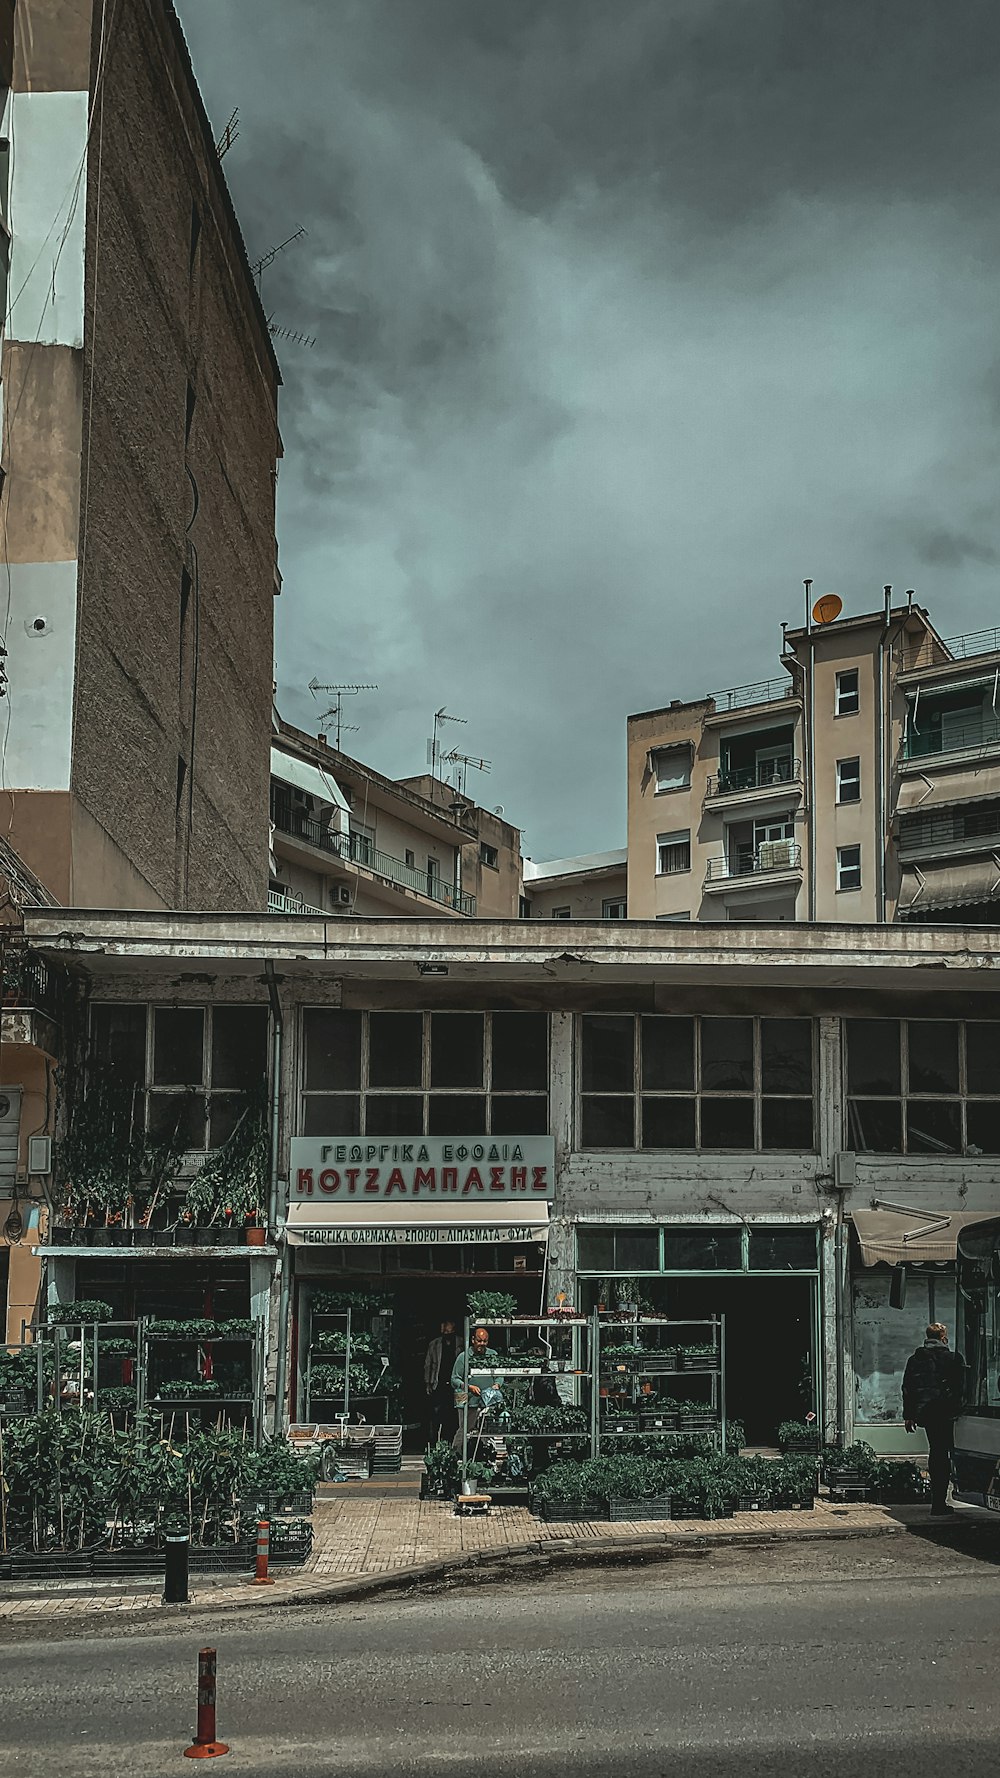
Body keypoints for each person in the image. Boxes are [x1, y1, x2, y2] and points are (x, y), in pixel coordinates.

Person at [902, 1321, 968, 1516]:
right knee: (946, 1454)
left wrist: (909, 1416)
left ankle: (938, 1501)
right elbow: (961, 1387)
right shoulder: (953, 1358)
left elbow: (908, 1388)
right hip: (949, 1414)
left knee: (937, 1453)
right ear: (943, 1338)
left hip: (928, 1414)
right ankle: (942, 1501)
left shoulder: (915, 1359)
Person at [450, 1323, 503, 1452]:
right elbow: (454, 1379)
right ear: (473, 1340)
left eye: (485, 1341)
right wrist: (469, 1387)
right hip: (465, 1398)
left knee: (486, 1429)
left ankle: (485, 1454)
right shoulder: (463, 1357)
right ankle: (455, 1453)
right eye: (479, 1341)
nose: (482, 1344)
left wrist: (497, 1385)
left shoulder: (493, 1355)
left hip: (487, 1400)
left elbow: (500, 1375)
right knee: (465, 1428)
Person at [423, 1318, 458, 1445]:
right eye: (444, 1332)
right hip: (439, 1382)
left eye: (449, 1332)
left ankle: (451, 1439)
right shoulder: (435, 1344)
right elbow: (428, 1364)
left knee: (454, 1412)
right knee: (437, 1412)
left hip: (456, 1383)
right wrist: (428, 1383)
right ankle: (436, 1439)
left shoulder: (460, 1342)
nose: (446, 1334)